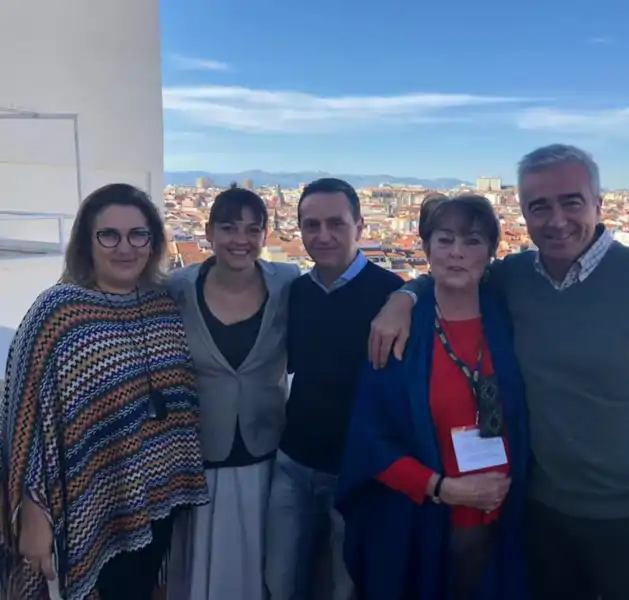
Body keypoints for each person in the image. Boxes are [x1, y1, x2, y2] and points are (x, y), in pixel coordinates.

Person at [369, 145, 629, 600]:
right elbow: (455, 267)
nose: (557, 219)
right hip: (546, 521)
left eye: (572, 201)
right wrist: (403, 297)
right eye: (539, 206)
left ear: (599, 204)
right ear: (524, 215)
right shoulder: (518, 276)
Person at [0, 184, 208, 600]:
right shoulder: (58, 311)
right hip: (84, 506)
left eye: (138, 234)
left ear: (152, 242)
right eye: (108, 235)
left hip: (156, 503)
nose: (124, 247)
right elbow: (19, 415)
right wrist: (29, 511)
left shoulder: (163, 306)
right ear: (87, 243)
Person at [337, 194, 529, 600]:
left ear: (492, 252)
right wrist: (442, 488)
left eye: (473, 241)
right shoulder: (397, 332)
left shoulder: (509, 317)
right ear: (426, 248)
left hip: (506, 519)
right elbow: (370, 440)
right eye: (445, 240)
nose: (457, 252)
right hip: (423, 523)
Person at [264, 178, 404, 600]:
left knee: (345, 589)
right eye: (311, 225)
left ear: (360, 226)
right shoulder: (297, 292)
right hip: (293, 463)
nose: (322, 236)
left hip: (357, 469)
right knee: (280, 583)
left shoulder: (392, 292)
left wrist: (411, 294)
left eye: (335, 224)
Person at [167, 186, 299, 600]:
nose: (241, 240)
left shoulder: (289, 283)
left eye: (252, 229)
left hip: (265, 451)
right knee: (201, 568)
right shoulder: (176, 289)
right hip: (199, 456)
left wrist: (405, 297)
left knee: (263, 567)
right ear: (209, 232)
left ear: (265, 235)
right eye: (228, 227)